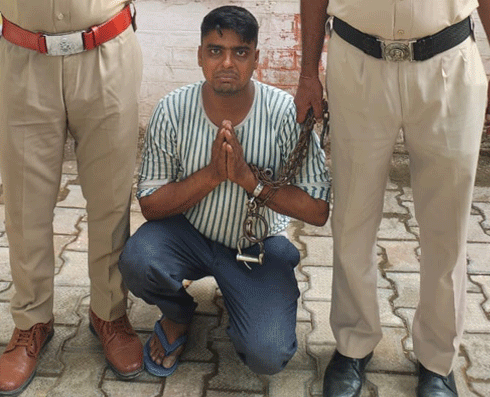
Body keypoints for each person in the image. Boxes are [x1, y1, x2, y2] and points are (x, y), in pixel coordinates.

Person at [294, 0, 490, 397]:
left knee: (446, 226)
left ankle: (437, 359)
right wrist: (308, 73)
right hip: (358, 61)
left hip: (447, 63)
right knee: (353, 218)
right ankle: (353, 343)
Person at [118, 5, 331, 377]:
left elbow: (318, 210)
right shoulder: (172, 110)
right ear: (200, 56)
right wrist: (213, 175)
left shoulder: (284, 113)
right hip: (190, 234)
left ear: (256, 59)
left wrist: (250, 181)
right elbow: (150, 204)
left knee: (267, 354)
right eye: (216, 51)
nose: (227, 62)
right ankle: (178, 314)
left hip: (257, 246)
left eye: (240, 52)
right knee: (139, 259)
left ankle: (247, 301)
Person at [0, 1, 144, 397]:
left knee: (111, 200)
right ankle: (31, 320)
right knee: (25, 207)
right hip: (24, 54)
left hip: (106, 50)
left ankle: (109, 312)